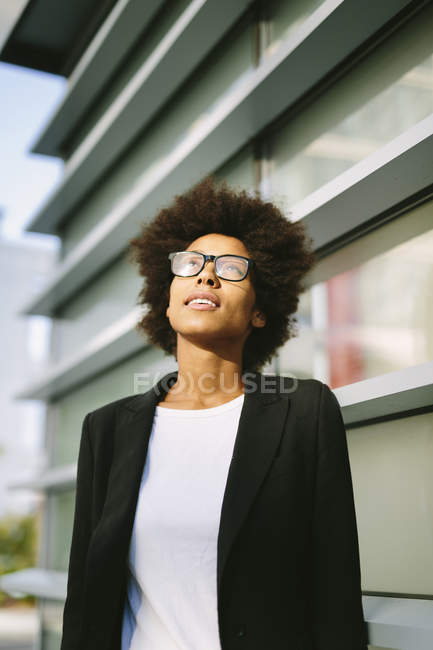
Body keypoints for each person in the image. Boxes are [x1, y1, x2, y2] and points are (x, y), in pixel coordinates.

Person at [60, 177, 368, 650]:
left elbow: (336, 592)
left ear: (260, 312)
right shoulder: (106, 429)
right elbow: (86, 602)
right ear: (167, 299)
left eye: (230, 267)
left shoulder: (304, 412)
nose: (206, 275)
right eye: (191, 265)